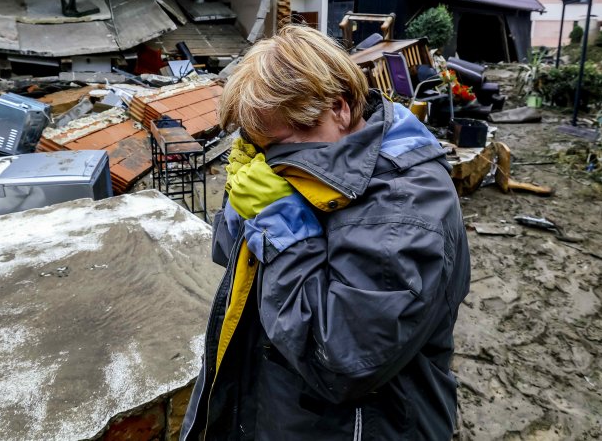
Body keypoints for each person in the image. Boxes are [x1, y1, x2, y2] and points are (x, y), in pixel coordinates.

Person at [180, 25, 471, 440]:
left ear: (339, 107)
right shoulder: (307, 171)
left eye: (283, 143)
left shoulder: (404, 210)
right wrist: (238, 201)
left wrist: (282, 226)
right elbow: (230, 258)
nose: (273, 161)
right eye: (260, 146)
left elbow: (340, 360)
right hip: (279, 410)